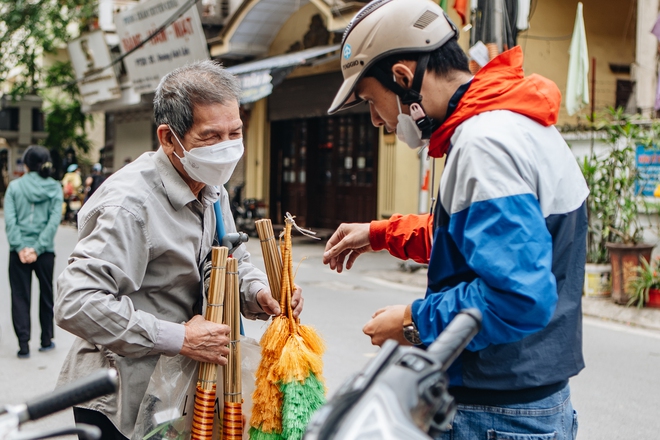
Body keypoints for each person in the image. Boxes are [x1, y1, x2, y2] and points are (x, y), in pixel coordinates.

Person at [322, 1, 587, 439]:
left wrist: (412, 321)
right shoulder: (513, 121)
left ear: (403, 77)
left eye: (372, 101)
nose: (376, 119)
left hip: (497, 414)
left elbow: (518, 296)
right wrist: (378, 233)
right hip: (528, 402)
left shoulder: (484, 143)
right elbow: (475, 242)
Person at [55, 60, 304, 440]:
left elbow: (227, 259)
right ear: (169, 138)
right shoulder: (130, 205)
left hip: (177, 394)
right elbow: (77, 301)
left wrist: (259, 293)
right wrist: (180, 338)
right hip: (122, 398)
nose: (226, 149)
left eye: (234, 133)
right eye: (210, 136)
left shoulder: (210, 187)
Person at [4, 145, 63, 358]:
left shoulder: (15, 187)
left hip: (17, 252)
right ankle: (46, 340)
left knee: (20, 296)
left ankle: (23, 345)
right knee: (47, 295)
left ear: (26, 164)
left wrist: (21, 247)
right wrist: (37, 248)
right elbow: (53, 221)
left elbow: (10, 221)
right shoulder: (55, 187)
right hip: (45, 252)